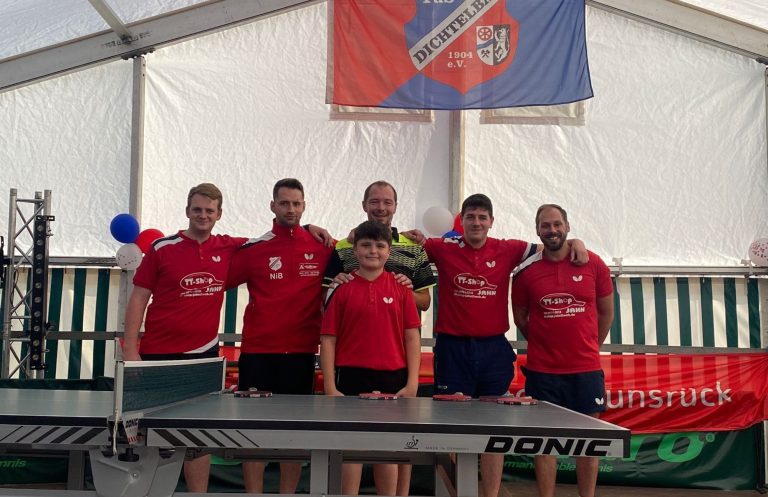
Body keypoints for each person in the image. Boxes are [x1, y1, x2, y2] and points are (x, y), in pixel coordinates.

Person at [403, 193, 587, 497]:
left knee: (494, 430)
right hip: (453, 350)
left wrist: (577, 242)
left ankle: (489, 494)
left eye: (482, 217)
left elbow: (552, 245)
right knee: (451, 429)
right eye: (470, 217)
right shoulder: (442, 247)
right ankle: (458, 493)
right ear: (461, 222)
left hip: (493, 350)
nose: (476, 222)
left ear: (491, 221)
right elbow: (395, 244)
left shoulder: (509, 248)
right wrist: (389, 234)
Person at [123, 182, 247, 493]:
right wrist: (131, 351)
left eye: (209, 210)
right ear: (187, 211)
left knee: (197, 436)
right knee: (150, 433)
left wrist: (310, 229)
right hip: (157, 356)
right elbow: (138, 299)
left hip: (202, 357)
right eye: (197, 209)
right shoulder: (162, 248)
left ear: (219, 214)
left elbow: (271, 243)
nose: (203, 215)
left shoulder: (229, 247)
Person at [323, 180, 436, 495]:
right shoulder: (342, 288)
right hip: (351, 376)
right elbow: (328, 338)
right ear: (355, 249)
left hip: (393, 376)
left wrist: (411, 383)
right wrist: (331, 385)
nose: (373, 251)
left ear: (389, 251)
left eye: (380, 246)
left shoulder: (402, 289)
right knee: (351, 448)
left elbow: (412, 337)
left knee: (389, 448)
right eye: (366, 246)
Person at [225, 178, 334, 494]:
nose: (290, 209)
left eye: (296, 204)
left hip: (301, 355)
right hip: (258, 355)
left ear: (304, 206)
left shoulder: (323, 247)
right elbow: (214, 282)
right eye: (284, 203)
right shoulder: (254, 250)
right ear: (272, 206)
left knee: (294, 435)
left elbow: (365, 246)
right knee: (252, 434)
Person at [511, 204, 613, 497]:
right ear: (537, 230)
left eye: (557, 224)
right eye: (545, 225)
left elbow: (606, 313)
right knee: (545, 444)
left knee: (588, 443)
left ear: (567, 226)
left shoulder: (593, 263)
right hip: (543, 372)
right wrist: (545, 344)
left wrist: (589, 346)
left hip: (585, 370)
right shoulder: (526, 273)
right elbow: (520, 318)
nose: (552, 230)